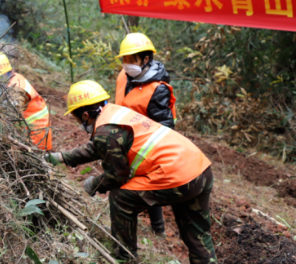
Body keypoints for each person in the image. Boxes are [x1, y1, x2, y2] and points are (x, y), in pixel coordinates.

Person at [47, 81, 216, 264]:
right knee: (198, 235)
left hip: (177, 177)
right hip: (200, 168)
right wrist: (62, 157)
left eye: (77, 118)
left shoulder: (105, 129)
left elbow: (116, 176)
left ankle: (124, 258)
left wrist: (93, 184)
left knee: (121, 197)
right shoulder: (115, 113)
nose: (78, 123)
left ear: (85, 115)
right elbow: (100, 146)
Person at [115, 32, 176, 234]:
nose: (127, 64)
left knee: (149, 185)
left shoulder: (158, 89)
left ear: (146, 59)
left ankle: (158, 231)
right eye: (124, 59)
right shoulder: (123, 77)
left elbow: (166, 125)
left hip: (148, 145)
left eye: (132, 59)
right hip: (126, 139)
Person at [0, 51, 51, 151]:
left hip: (33, 143)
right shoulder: (14, 78)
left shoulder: (16, 90)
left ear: (0, 76)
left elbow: (8, 119)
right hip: (27, 137)